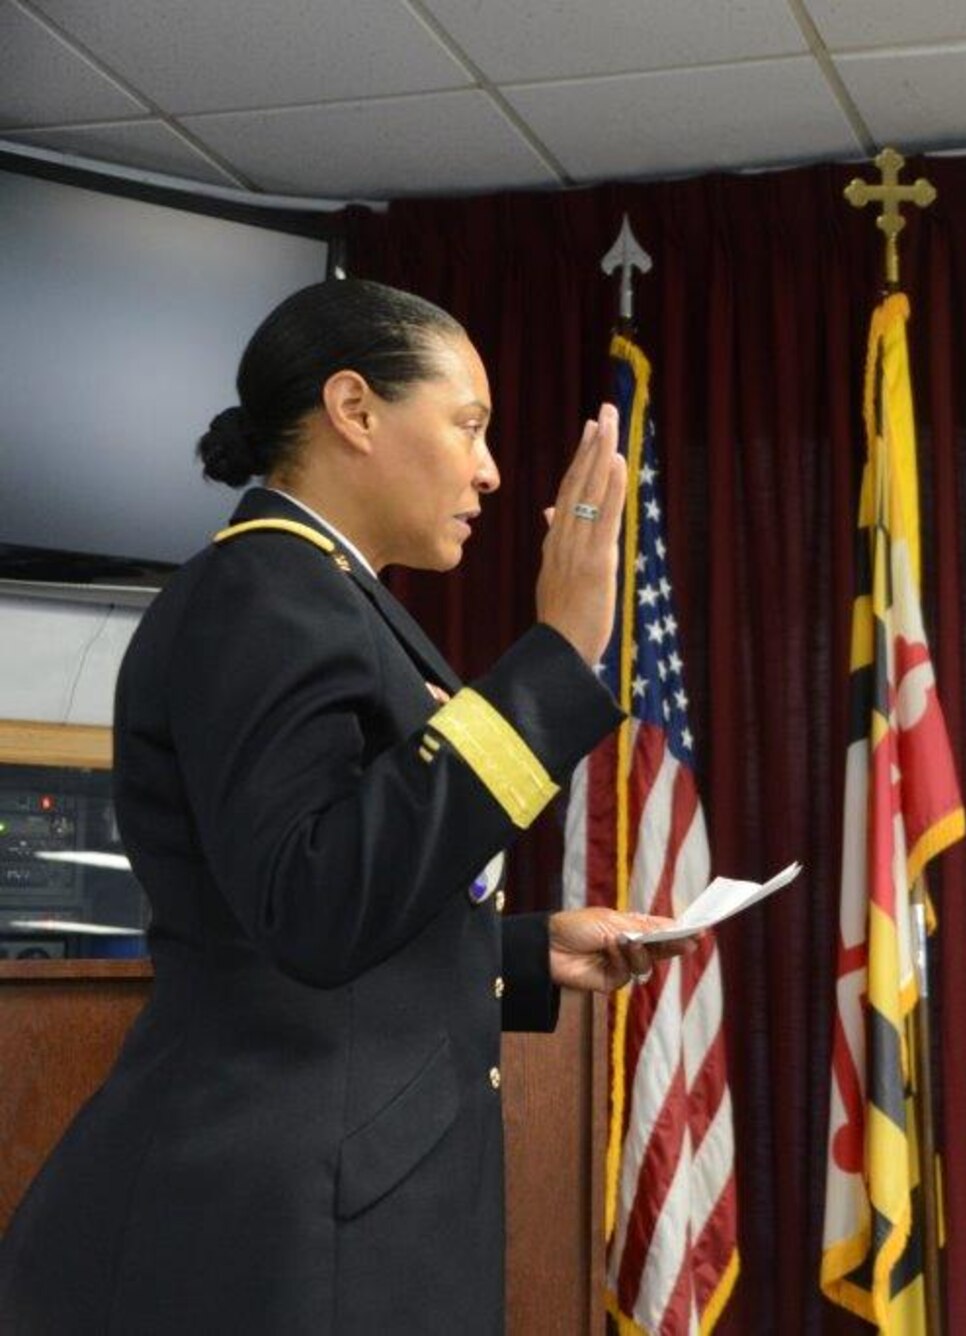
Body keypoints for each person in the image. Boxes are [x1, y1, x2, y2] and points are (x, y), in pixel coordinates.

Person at [0, 279, 694, 1333]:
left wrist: (516, 951)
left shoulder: (323, 594)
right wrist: (555, 657)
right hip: (276, 1229)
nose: (490, 469)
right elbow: (315, 906)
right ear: (355, 410)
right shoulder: (266, 591)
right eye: (468, 425)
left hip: (330, 1202)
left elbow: (312, 906)